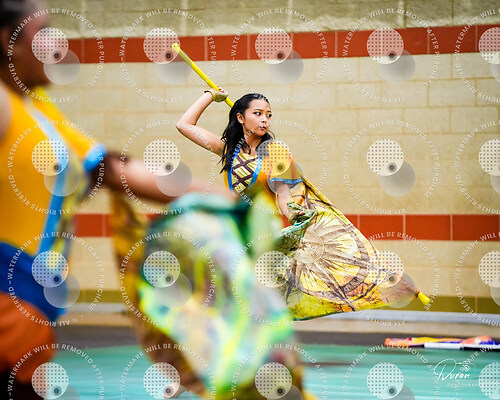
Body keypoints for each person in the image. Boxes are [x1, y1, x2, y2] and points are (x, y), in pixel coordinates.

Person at [0, 0, 205, 397]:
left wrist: (231, 196)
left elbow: (112, 170)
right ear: (8, 41)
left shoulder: (38, 113)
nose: (56, 44)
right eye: (43, 33)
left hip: (28, 316)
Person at [177, 89, 429, 321]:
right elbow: (184, 125)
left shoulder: (276, 153)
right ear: (240, 118)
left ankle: (380, 278)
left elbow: (283, 197)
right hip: (232, 231)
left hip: (262, 234)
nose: (265, 120)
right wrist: (211, 95)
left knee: (259, 297)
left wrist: (298, 221)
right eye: (258, 114)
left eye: (269, 115)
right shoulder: (227, 150)